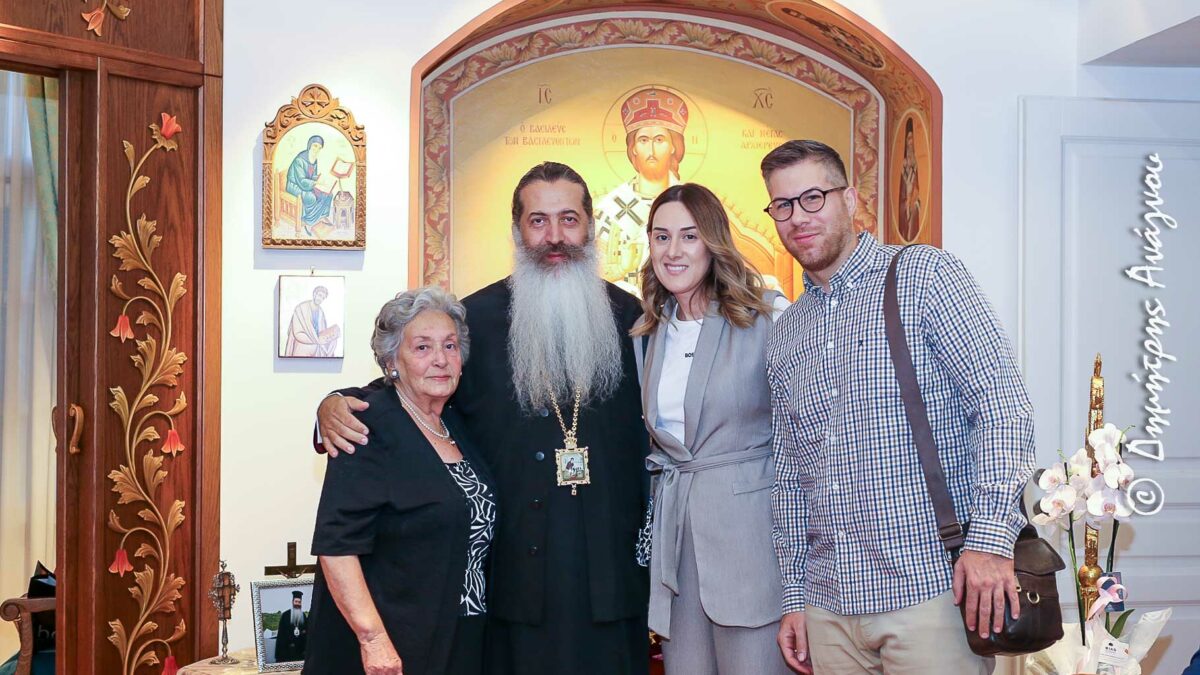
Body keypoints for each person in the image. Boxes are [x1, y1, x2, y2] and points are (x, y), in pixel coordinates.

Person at [315, 162, 650, 675]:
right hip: (511, 592)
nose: (554, 237)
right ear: (516, 231)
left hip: (612, 584)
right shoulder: (477, 321)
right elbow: (412, 392)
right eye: (538, 221)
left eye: (568, 219)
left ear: (590, 227)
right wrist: (333, 404)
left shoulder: (635, 321)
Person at [760, 140, 1035, 674]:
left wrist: (989, 541)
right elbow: (790, 477)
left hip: (931, 592)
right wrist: (795, 595)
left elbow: (1002, 407)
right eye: (783, 205)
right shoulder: (788, 330)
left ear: (850, 199)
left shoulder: (924, 276)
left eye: (813, 197)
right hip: (830, 606)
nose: (799, 217)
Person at [633, 183, 791, 675]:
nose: (673, 251)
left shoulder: (766, 316)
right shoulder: (649, 332)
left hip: (751, 542)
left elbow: (804, 435)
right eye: (662, 237)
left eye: (689, 236)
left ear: (714, 241)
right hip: (679, 544)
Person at [304, 287, 496, 675]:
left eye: (450, 346)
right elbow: (337, 547)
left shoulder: (456, 424)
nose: (440, 359)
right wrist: (372, 640)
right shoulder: (367, 425)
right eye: (422, 347)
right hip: (390, 646)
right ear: (392, 361)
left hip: (461, 636)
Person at [595, 87, 689, 292]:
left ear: (673, 146)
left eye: (659, 140)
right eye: (643, 140)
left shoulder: (694, 204)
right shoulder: (608, 209)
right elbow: (598, 277)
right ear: (634, 148)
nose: (651, 150)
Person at [286, 134, 334, 233]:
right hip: (294, 185)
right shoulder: (299, 160)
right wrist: (315, 183)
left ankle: (322, 216)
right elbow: (301, 181)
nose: (317, 149)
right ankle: (309, 222)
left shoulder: (314, 159)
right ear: (309, 145)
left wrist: (320, 180)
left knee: (329, 194)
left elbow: (312, 176)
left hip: (307, 184)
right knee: (311, 197)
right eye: (315, 146)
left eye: (319, 148)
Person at [284, 285, 339, 357]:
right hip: (302, 345)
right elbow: (297, 332)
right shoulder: (301, 308)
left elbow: (322, 331)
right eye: (319, 295)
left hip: (316, 347)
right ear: (314, 294)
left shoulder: (321, 312)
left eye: (323, 298)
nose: (320, 299)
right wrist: (316, 340)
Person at [898, 118, 922, 242]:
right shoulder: (904, 166)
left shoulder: (916, 164)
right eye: (908, 139)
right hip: (907, 203)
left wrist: (913, 199)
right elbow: (902, 196)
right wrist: (907, 195)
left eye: (912, 139)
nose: (910, 142)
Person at [275, 590, 309, 662]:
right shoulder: (285, 615)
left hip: (300, 651)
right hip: (287, 651)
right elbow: (281, 635)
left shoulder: (303, 615)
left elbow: (306, 632)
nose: (297, 604)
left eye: (299, 602)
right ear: (292, 602)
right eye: (296, 602)